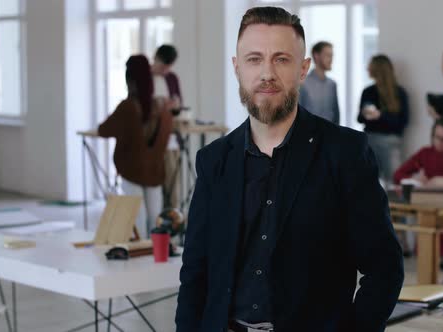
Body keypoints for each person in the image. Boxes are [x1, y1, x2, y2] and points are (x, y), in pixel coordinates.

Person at [175, 6, 403, 332]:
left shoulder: (345, 153)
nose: (267, 73)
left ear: (303, 69)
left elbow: (384, 268)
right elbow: (195, 272)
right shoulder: (214, 160)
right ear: (237, 68)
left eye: (281, 59)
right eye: (254, 59)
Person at [393, 114, 443, 282]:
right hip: (434, 214)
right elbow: (398, 174)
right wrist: (415, 180)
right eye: (436, 138)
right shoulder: (426, 153)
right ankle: (441, 279)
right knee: (428, 238)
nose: (440, 143)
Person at [98, 55, 172, 237]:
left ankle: (141, 255)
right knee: (156, 218)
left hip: (132, 171)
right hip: (154, 171)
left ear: (129, 79)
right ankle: (158, 255)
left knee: (137, 217)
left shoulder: (127, 107)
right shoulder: (162, 109)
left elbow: (103, 130)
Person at [358, 54, 409, 183]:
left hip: (390, 143)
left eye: (370, 66)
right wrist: (365, 114)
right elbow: (359, 118)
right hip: (369, 140)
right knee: (368, 182)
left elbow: (403, 122)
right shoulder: (368, 91)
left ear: (377, 69)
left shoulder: (400, 93)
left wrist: (380, 116)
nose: (367, 68)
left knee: (393, 182)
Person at [151, 44, 183, 210]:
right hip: (149, 142)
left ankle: (173, 224)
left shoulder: (172, 78)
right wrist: (160, 107)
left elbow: (178, 107)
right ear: (155, 58)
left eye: (168, 67)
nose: (164, 70)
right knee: (154, 187)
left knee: (172, 187)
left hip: (169, 139)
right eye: (162, 66)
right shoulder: (143, 78)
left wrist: (175, 105)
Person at [298, 41, 340, 124]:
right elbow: (298, 115)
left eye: (332, 56)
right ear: (316, 56)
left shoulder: (332, 84)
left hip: (329, 134)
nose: (331, 59)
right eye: (328, 55)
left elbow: (336, 115)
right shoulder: (303, 83)